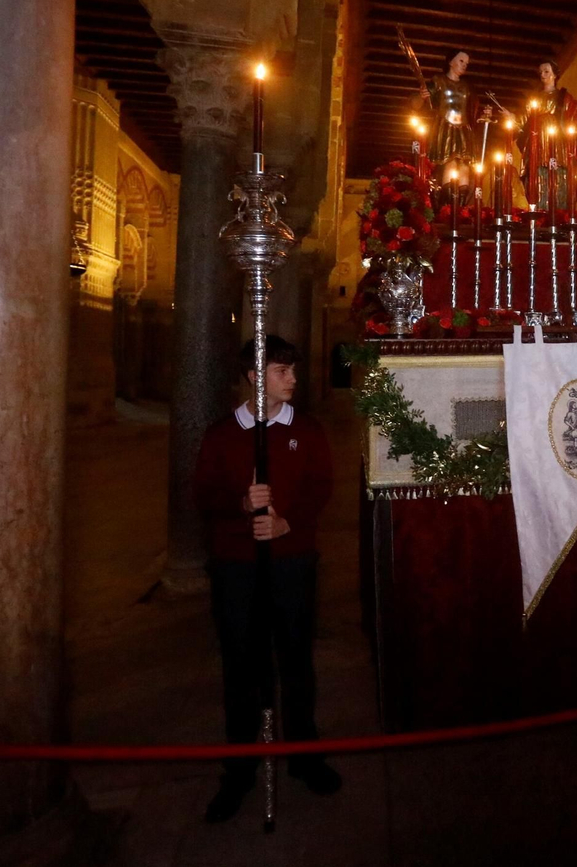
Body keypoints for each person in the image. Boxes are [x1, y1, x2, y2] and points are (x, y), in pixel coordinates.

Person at [193, 336, 339, 823]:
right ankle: (238, 771)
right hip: (237, 567)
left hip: (291, 563)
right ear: (256, 377)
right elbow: (203, 495)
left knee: (295, 660)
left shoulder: (308, 430)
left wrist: (286, 522)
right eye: (282, 371)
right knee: (242, 668)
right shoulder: (221, 435)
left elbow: (321, 487)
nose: (293, 379)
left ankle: (304, 756)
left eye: (293, 370)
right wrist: (239, 508)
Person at [517, 60, 577, 210]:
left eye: (546, 71)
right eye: (541, 72)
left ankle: (560, 209)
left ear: (555, 75)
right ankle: (541, 208)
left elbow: (574, 115)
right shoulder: (534, 99)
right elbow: (522, 120)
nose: (542, 74)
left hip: (558, 141)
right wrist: (511, 117)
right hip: (538, 142)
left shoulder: (563, 97)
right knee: (539, 171)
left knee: (559, 172)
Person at [418, 49, 477, 180]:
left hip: (463, 130)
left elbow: (474, 109)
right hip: (445, 127)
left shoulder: (466, 86)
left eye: (466, 63)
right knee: (450, 163)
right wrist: (422, 96)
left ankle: (462, 198)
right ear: (451, 61)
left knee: (464, 167)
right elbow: (421, 103)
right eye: (461, 61)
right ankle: (448, 198)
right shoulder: (438, 81)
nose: (464, 65)